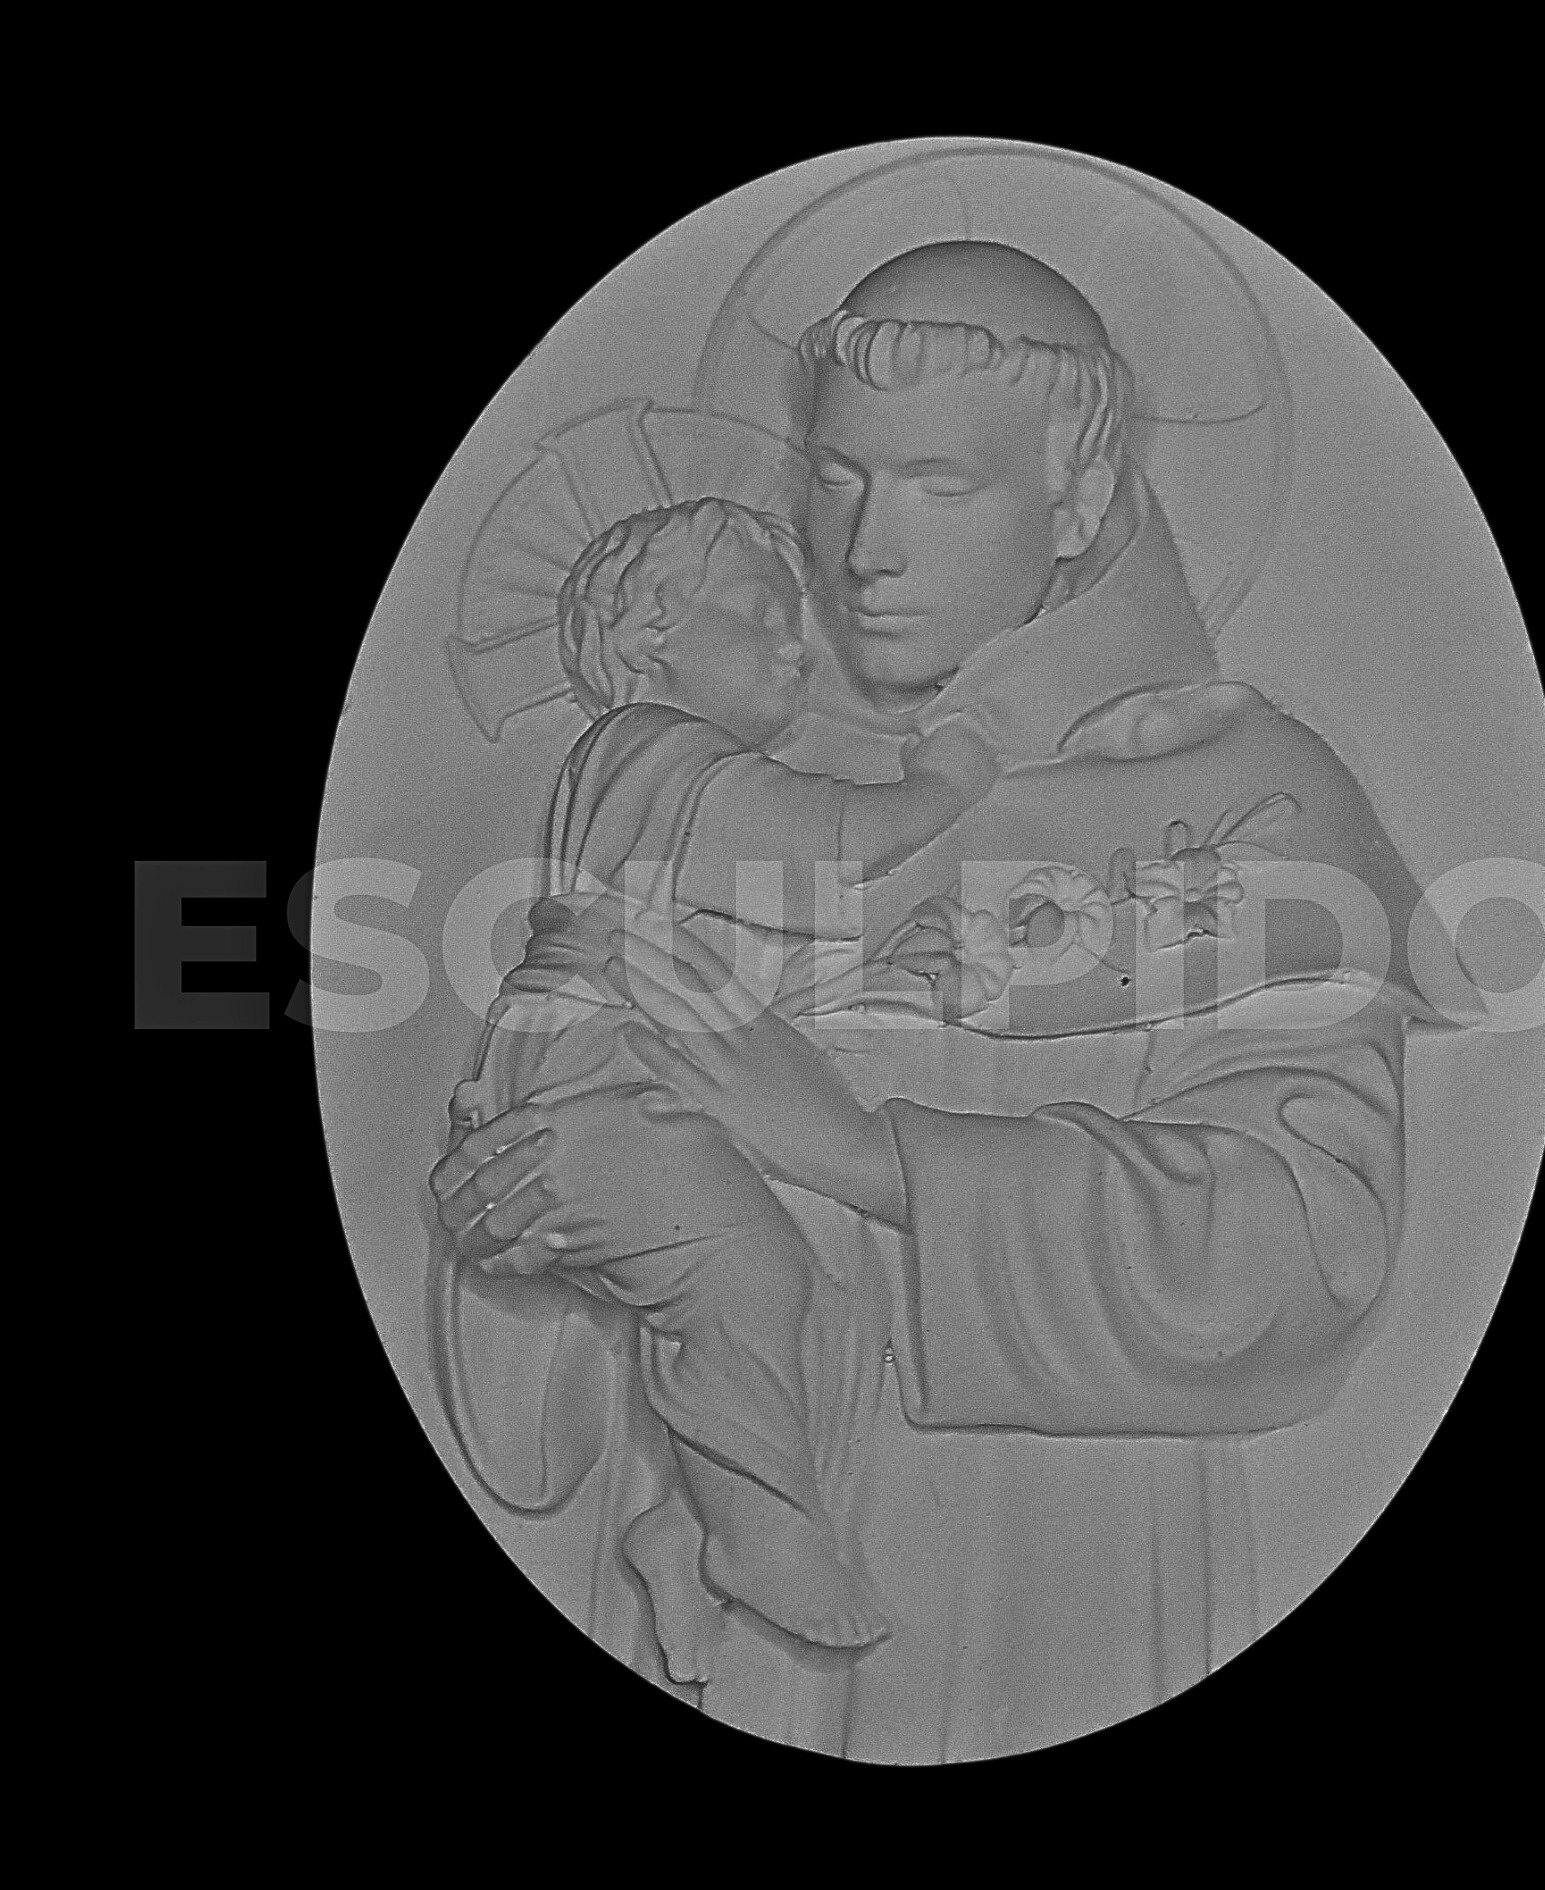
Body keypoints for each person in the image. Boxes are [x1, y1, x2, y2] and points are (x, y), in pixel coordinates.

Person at [432, 243, 1441, 1754]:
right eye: (838, 477)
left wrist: (867, 1155)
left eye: (940, 485)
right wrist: (525, 1227)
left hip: (1056, 1553)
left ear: (1078, 500)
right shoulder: (732, 785)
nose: (865, 550)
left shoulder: (1238, 799)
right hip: (752, 1543)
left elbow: (1306, 1248)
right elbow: (592, 1141)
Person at [440, 495, 1003, 1667]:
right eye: (762, 613)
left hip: (636, 1086)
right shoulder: (649, 749)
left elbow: (758, 987)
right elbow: (831, 843)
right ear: (652, 633)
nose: (797, 649)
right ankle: (762, 1533)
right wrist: (946, 781)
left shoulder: (686, 803)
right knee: (744, 1269)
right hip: (591, 1090)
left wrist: (893, 977)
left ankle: (689, 1527)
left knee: (797, 1282)